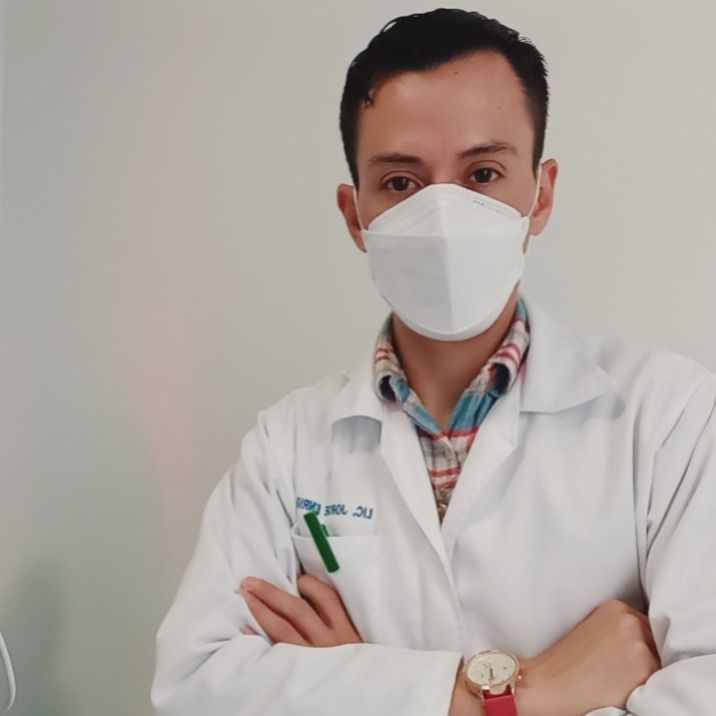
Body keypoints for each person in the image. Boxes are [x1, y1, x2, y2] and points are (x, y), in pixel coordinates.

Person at [150, 9, 716, 716]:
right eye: (401, 183)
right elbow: (194, 685)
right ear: (355, 215)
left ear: (540, 195)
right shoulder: (285, 448)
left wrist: (356, 682)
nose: (445, 216)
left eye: (483, 174)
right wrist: (516, 693)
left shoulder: (671, 418)